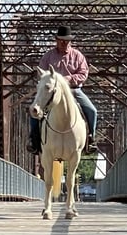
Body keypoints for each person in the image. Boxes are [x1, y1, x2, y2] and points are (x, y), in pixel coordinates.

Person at [27, 25, 98, 155]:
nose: (63, 43)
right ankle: (34, 139)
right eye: (61, 40)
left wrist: (69, 79)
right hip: (52, 92)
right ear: (56, 40)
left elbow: (83, 73)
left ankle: (91, 139)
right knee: (34, 109)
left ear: (70, 41)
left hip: (73, 91)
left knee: (92, 110)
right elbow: (42, 73)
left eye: (66, 40)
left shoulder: (78, 56)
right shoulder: (48, 56)